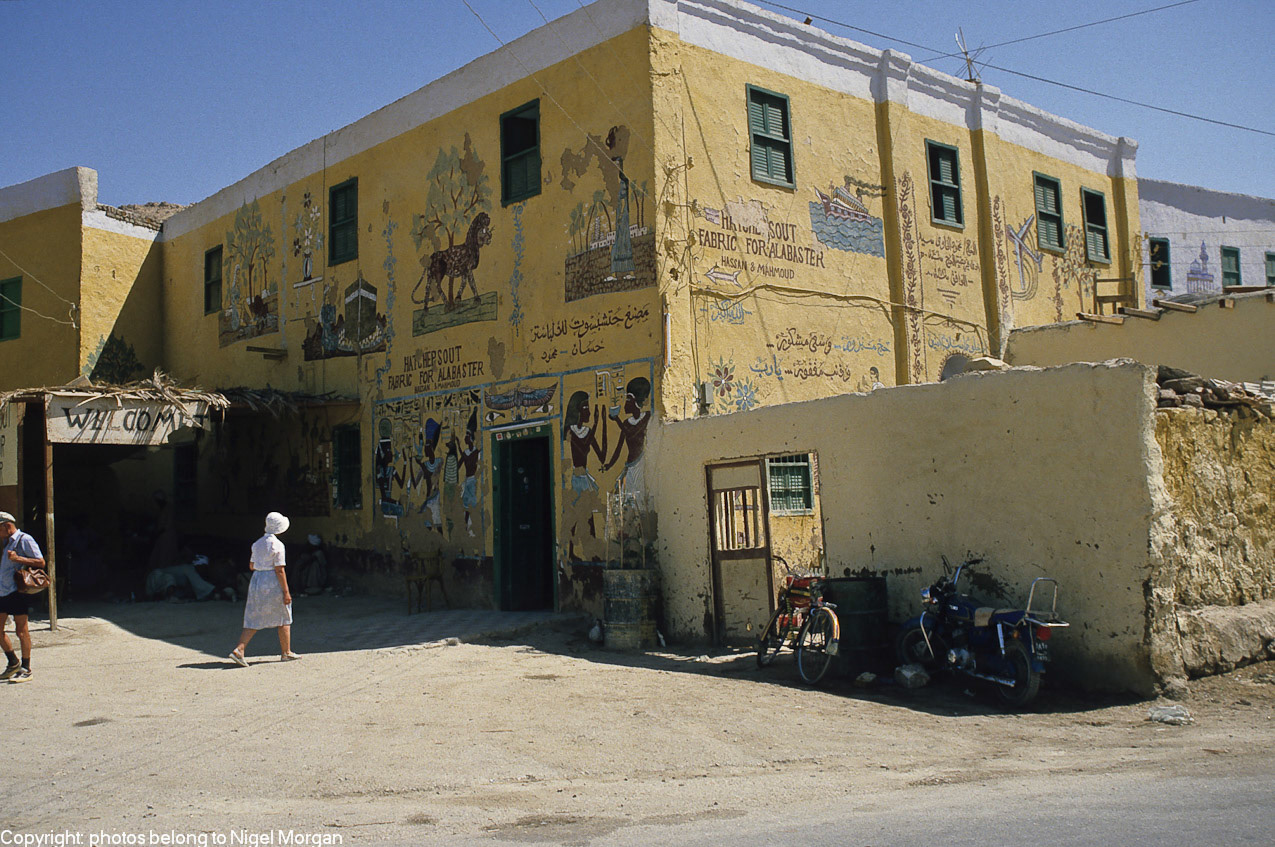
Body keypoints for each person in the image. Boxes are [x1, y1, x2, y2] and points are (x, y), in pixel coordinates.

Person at [228, 512, 300, 665]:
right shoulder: (278, 545)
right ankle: (286, 652)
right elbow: (280, 570)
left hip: (257, 581)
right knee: (284, 615)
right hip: (272, 582)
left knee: (253, 617)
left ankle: (239, 649)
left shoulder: (257, 543)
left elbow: (252, 566)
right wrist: (286, 592)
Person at [0, 511, 45, 683]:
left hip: (17, 591)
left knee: (21, 630)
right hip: (3, 591)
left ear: (6, 525)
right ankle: (13, 662)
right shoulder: (5, 542)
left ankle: (26, 668)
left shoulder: (24, 539)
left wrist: (18, 558)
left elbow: (40, 562)